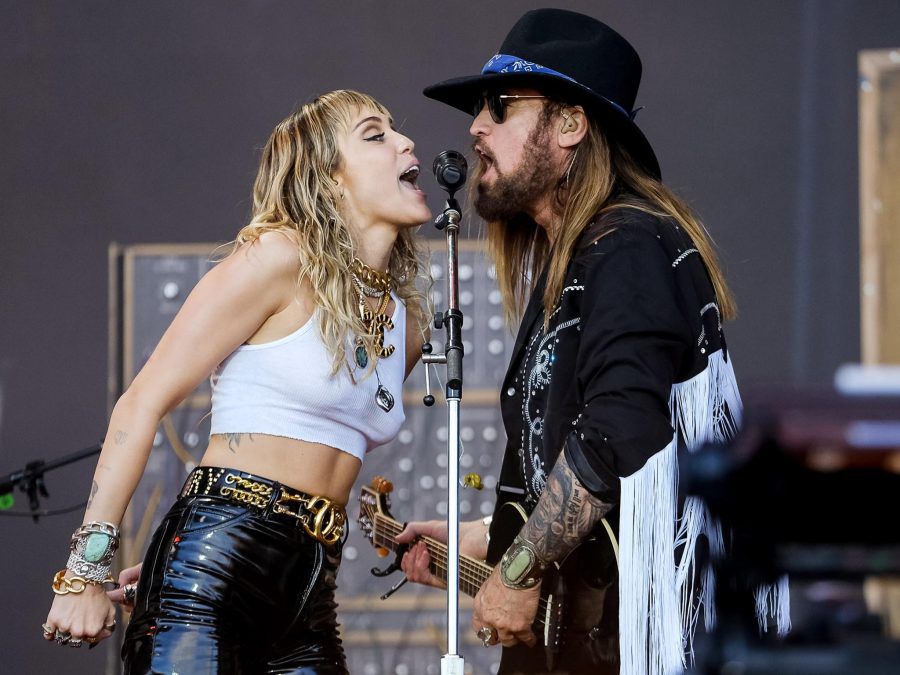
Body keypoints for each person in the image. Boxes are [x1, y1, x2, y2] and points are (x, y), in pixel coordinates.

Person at [397, 9, 788, 675]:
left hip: (641, 643)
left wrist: (517, 569)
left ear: (572, 124)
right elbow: (586, 471)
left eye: (499, 106)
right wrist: (484, 542)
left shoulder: (629, 244)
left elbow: (617, 429)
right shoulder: (577, 258)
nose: (475, 127)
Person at [43, 89, 431, 674]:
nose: (406, 143)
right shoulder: (278, 259)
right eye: (375, 135)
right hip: (214, 560)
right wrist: (85, 573)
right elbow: (140, 404)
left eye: (396, 131)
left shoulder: (409, 323)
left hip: (310, 588)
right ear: (327, 179)